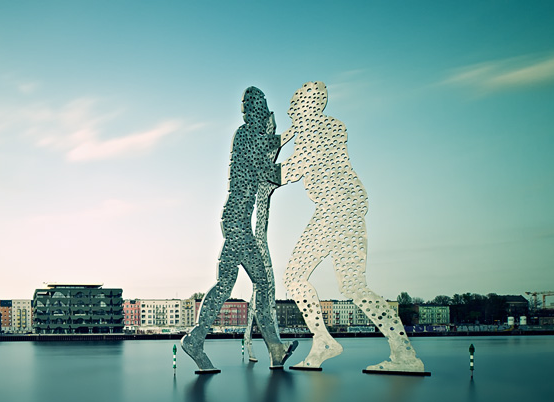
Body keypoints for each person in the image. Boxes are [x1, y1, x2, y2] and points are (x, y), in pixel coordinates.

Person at [278, 81, 425, 373]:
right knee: (355, 287)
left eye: (294, 105)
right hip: (349, 209)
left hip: (334, 211)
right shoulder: (328, 127)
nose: (290, 111)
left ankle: (322, 341)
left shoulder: (313, 131)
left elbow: (290, 171)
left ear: (307, 106)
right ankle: (405, 354)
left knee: (294, 277)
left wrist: (257, 164)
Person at [181, 87, 298, 373]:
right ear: (256, 110)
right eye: (262, 108)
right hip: (237, 222)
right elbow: (268, 170)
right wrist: (298, 150)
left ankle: (272, 348)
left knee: (234, 283)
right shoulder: (246, 135)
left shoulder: (249, 137)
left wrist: (287, 137)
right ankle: (197, 340)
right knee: (255, 283)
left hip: (236, 221)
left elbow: (268, 150)